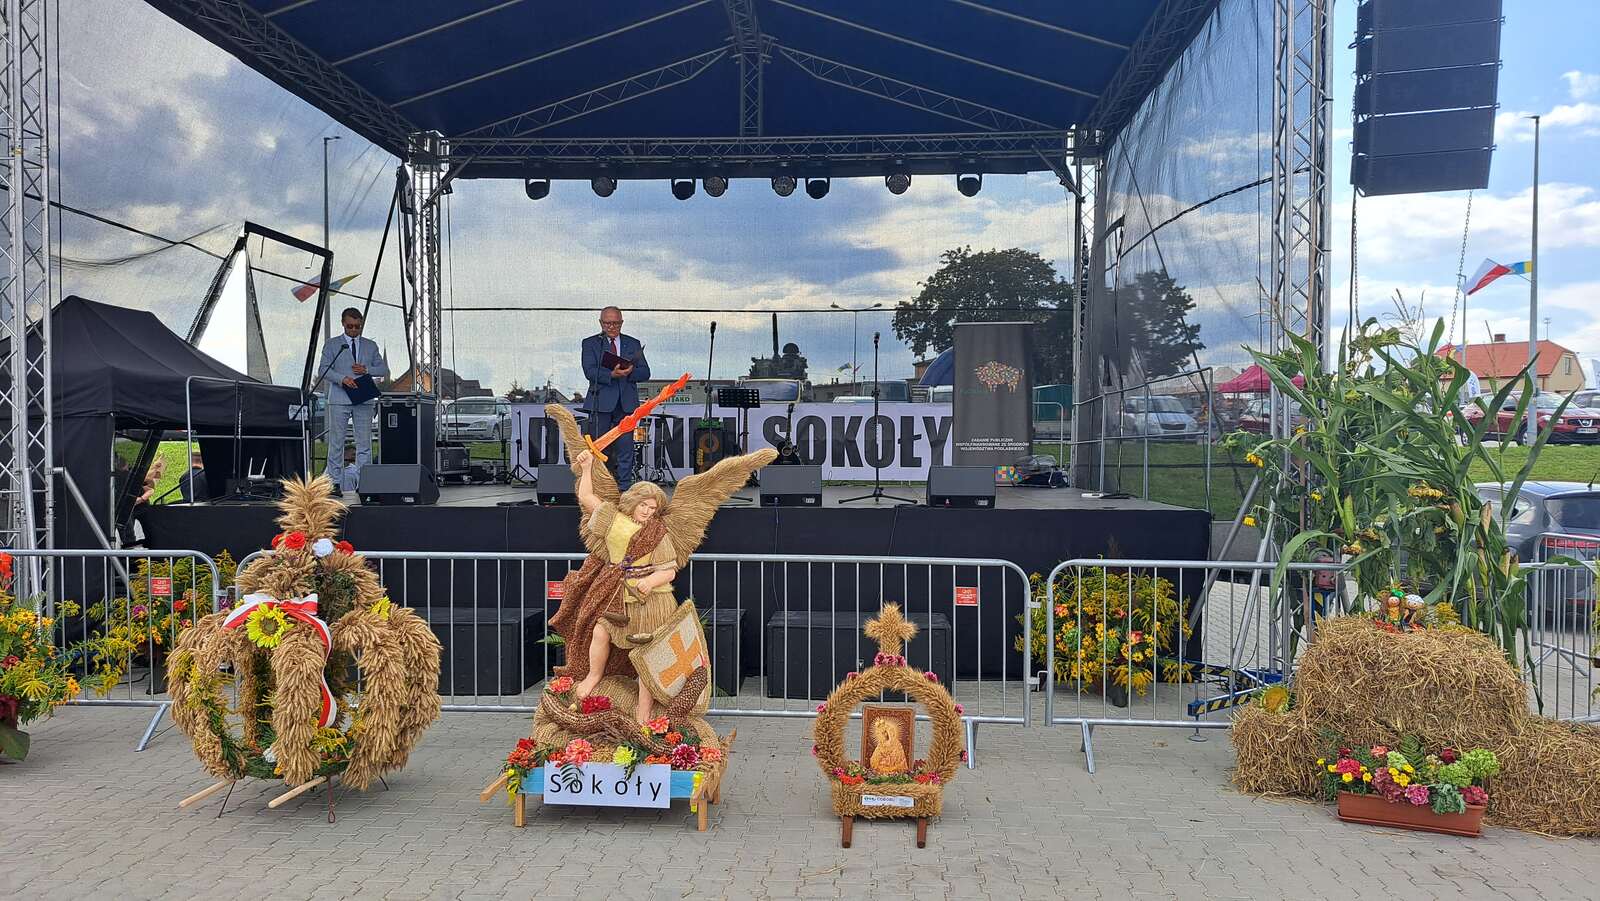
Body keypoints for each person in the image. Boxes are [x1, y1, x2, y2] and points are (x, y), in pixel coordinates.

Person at [318, 307, 389, 497]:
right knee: (336, 442)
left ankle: (365, 482)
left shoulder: (370, 345)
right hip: (340, 397)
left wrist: (367, 370)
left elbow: (382, 369)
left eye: (358, 326)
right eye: (350, 326)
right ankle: (334, 483)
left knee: (364, 442)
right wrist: (342, 379)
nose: (354, 330)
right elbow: (323, 369)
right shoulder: (332, 344)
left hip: (363, 398)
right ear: (343, 323)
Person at [580, 306, 649, 489]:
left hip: (626, 404)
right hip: (600, 403)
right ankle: (599, 487)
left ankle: (624, 487)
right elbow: (589, 371)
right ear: (600, 323)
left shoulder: (632, 343)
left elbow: (645, 372)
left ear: (622, 323)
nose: (611, 327)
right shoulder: (591, 343)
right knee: (599, 447)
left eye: (616, 323)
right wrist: (611, 374)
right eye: (607, 323)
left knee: (626, 448)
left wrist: (629, 372)